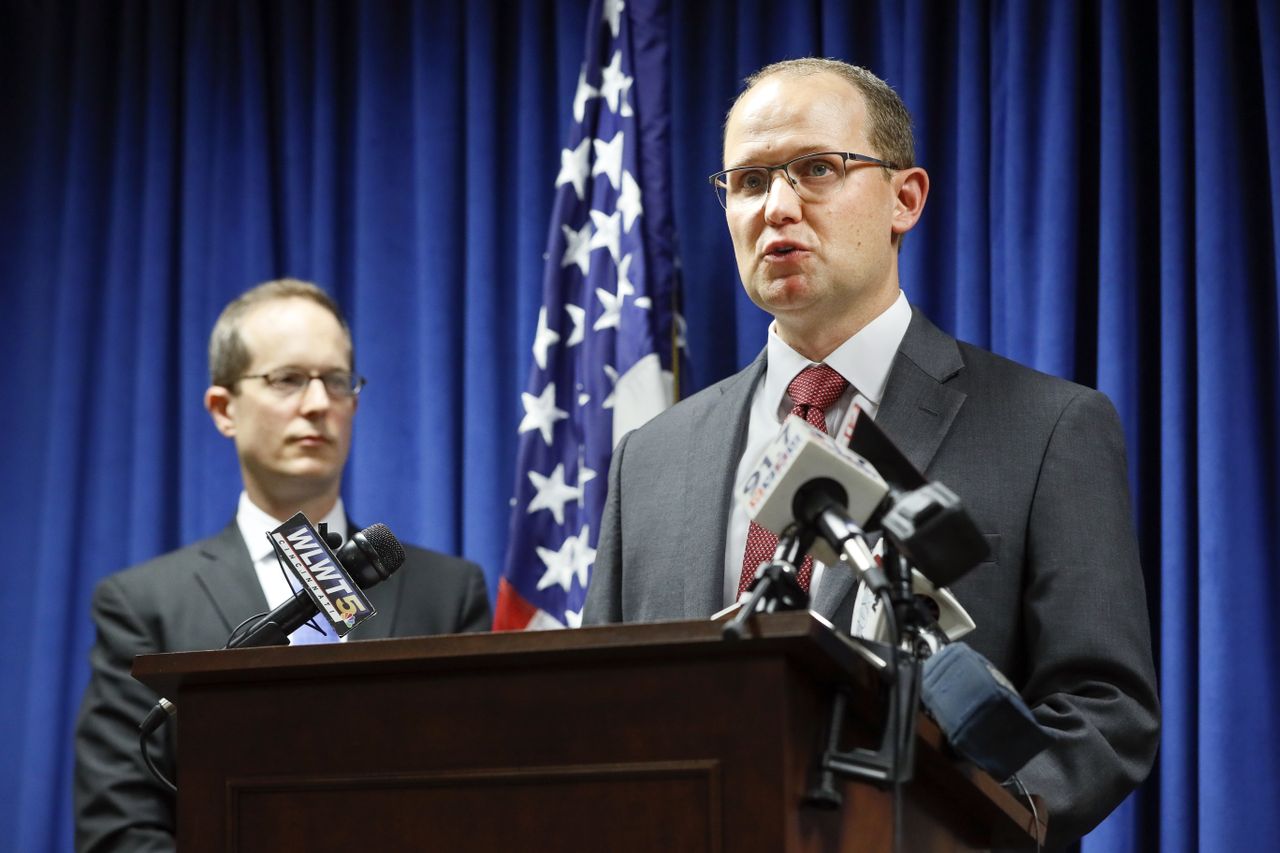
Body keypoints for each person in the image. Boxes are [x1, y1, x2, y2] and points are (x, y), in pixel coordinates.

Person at [582, 59, 1158, 849]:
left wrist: (951, 823)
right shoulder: (649, 457)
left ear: (904, 198)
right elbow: (597, 706)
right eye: (749, 182)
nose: (777, 207)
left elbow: (1103, 709)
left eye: (817, 169)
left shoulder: (1051, 426)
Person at [74, 279, 491, 852]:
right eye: (287, 380)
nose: (318, 404)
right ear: (224, 409)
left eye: (336, 381)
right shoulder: (144, 604)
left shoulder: (450, 592)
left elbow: (479, 800)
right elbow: (119, 827)